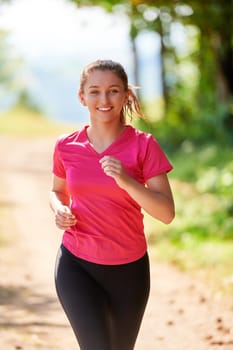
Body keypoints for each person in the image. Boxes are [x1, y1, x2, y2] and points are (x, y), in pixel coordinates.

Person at [49, 59, 175, 350]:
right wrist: (59, 209)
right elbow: (56, 190)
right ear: (82, 97)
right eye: (94, 91)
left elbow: (166, 213)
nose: (104, 99)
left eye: (113, 91)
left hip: (129, 270)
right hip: (76, 263)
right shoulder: (66, 145)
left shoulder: (144, 145)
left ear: (126, 96)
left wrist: (127, 181)